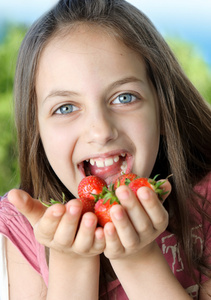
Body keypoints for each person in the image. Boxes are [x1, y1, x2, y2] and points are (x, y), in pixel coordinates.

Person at [0, 0, 211, 299]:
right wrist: (72, 261)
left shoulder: (205, 205)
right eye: (66, 107)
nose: (100, 131)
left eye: (124, 98)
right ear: (37, 132)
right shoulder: (22, 230)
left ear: (163, 110)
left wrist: (137, 260)